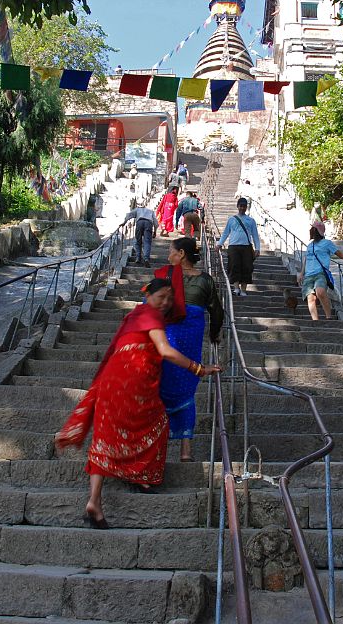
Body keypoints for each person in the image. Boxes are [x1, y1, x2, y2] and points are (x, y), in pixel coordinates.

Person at [54, 277, 220, 528]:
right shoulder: (151, 316)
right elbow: (164, 351)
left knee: (104, 437)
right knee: (159, 424)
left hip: (110, 381)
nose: (164, 303)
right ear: (148, 295)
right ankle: (141, 476)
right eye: (160, 297)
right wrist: (199, 368)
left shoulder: (134, 315)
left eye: (168, 298)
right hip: (135, 380)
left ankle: (94, 501)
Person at [153, 237, 224, 462]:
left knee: (159, 387)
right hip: (192, 337)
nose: (168, 256)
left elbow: (152, 304)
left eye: (171, 252)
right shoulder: (206, 280)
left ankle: (156, 445)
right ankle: (186, 450)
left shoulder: (165, 276)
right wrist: (214, 334)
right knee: (187, 388)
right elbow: (217, 310)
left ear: (181, 254)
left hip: (167, 336)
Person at [300, 222, 343, 321]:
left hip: (321, 273)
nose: (311, 231)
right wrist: (301, 273)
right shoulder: (310, 245)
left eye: (314, 229)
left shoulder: (327, 243)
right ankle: (315, 322)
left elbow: (339, 254)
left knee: (320, 292)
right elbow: (306, 259)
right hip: (308, 275)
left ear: (318, 232)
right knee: (311, 298)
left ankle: (329, 318)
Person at [217, 197, 261, 297]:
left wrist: (257, 248)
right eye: (240, 206)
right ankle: (236, 288)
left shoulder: (251, 220)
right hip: (233, 246)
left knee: (246, 268)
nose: (242, 208)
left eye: (244, 206)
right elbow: (225, 233)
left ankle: (244, 290)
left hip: (246, 247)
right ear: (237, 206)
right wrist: (219, 243)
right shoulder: (231, 219)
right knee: (234, 266)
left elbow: (255, 235)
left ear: (246, 207)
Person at [125, 199, 157, 266]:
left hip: (139, 222)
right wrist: (155, 231)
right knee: (147, 242)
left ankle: (138, 257)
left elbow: (129, 215)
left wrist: (124, 222)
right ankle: (146, 258)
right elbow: (155, 221)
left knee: (138, 241)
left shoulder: (137, 209)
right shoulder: (150, 211)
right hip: (148, 223)